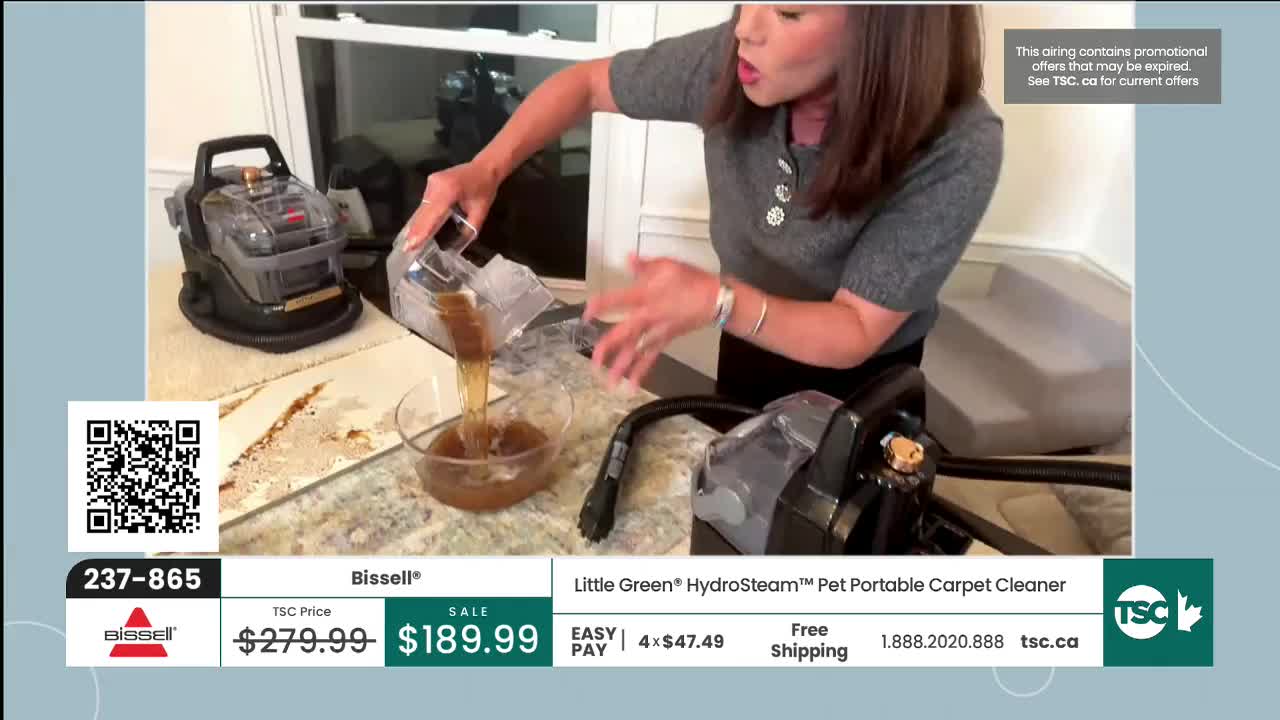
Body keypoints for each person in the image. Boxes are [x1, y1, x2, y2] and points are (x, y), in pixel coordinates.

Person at [406, 4, 1004, 411]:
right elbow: (587, 85)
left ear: (886, 30)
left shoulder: (957, 144)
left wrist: (719, 300)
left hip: (862, 385)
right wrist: (487, 167)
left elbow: (854, 331)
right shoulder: (732, 58)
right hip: (747, 346)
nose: (746, 28)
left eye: (790, 11)